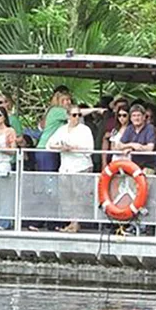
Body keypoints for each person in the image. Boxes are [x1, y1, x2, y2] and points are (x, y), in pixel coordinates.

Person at [48, 106, 95, 234]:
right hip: (65, 167)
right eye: (74, 115)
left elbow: (90, 149)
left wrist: (73, 147)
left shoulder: (85, 130)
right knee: (66, 196)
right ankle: (71, 222)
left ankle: (76, 223)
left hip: (81, 166)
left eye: (79, 115)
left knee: (79, 196)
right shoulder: (62, 130)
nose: (77, 118)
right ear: (68, 116)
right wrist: (60, 147)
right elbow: (49, 144)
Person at [34, 90, 70, 171]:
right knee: (49, 177)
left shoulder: (54, 110)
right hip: (46, 148)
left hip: (51, 148)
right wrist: (95, 109)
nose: (69, 102)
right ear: (59, 101)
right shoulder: (57, 110)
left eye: (69, 100)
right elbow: (74, 114)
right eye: (66, 100)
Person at [118, 104, 156, 171]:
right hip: (133, 164)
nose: (136, 118)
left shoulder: (150, 128)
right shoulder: (129, 128)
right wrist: (132, 145)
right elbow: (118, 145)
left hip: (148, 165)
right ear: (130, 118)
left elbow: (150, 147)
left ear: (144, 117)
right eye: (134, 116)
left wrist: (136, 148)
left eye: (138, 115)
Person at [101, 101, 129, 166]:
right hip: (115, 160)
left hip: (128, 161)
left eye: (124, 115)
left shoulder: (131, 129)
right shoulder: (115, 130)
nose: (121, 118)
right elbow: (112, 145)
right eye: (119, 115)